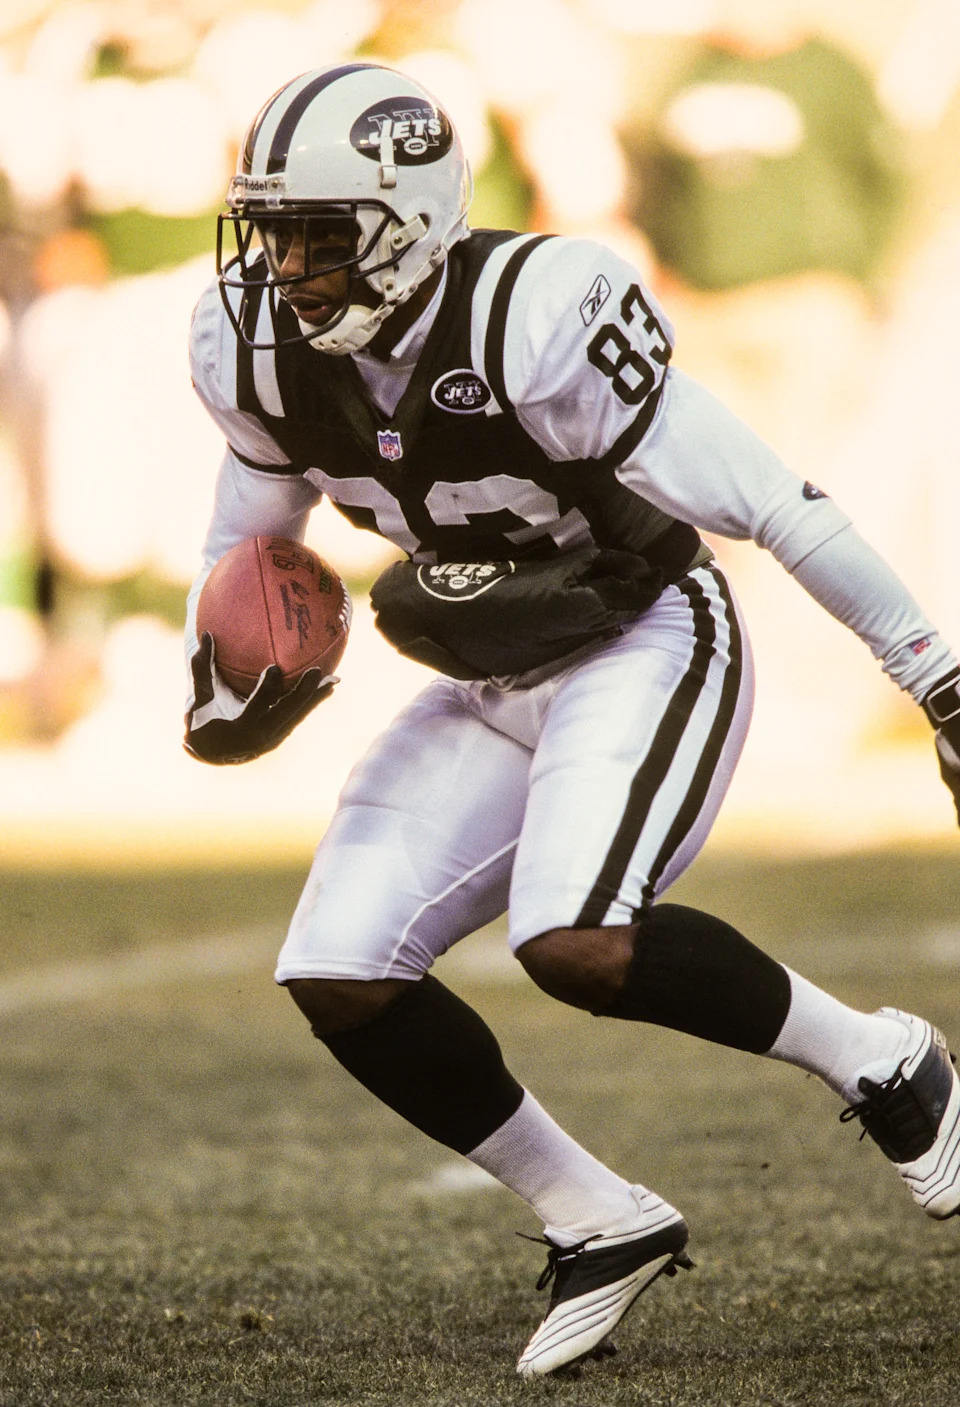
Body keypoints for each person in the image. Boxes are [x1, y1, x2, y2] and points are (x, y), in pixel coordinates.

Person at [183, 62, 960, 1378]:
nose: (287, 264)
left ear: (412, 217)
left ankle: (888, 1063)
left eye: (321, 232)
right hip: (487, 674)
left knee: (576, 940)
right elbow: (249, 542)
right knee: (339, 969)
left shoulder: (535, 312)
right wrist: (221, 671)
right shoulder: (250, 346)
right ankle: (596, 1216)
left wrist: (938, 678)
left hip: (643, 632)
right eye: (272, 230)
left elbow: (775, 499)